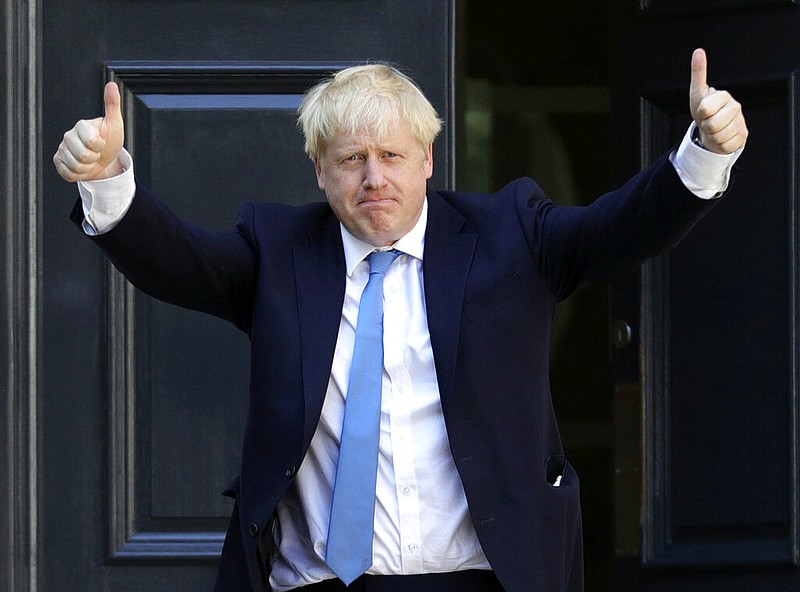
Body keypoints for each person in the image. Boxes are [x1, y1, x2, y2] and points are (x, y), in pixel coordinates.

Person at [53, 48, 747, 592]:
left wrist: (703, 152)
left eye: (391, 156)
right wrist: (108, 178)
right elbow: (179, 262)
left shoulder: (511, 235)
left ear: (428, 160)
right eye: (351, 160)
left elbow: (619, 228)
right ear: (320, 173)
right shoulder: (279, 251)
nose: (373, 178)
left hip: (479, 579)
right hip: (312, 583)